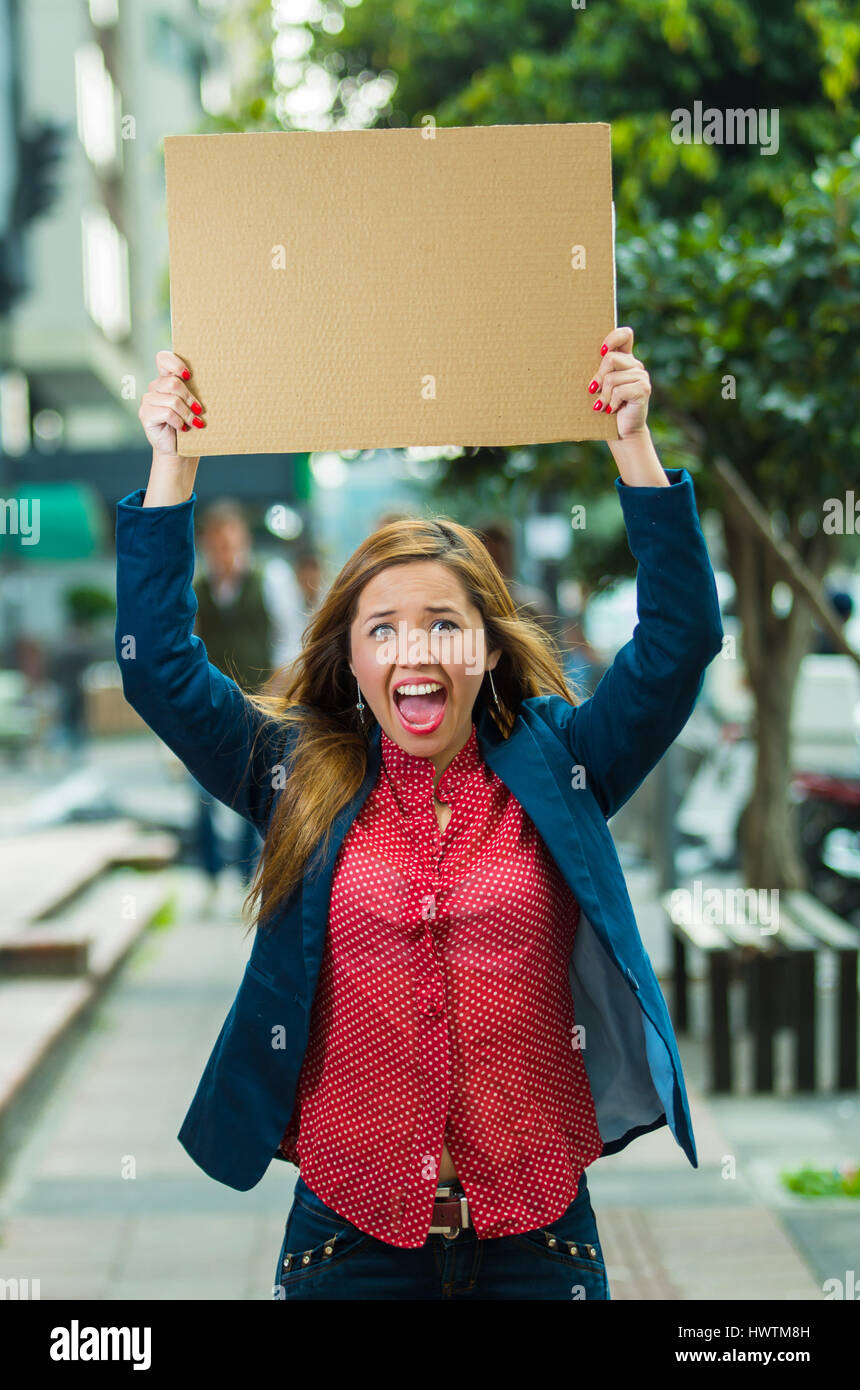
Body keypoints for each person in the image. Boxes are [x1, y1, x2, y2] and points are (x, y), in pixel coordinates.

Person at [116, 328, 723, 1300]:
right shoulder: (296, 774)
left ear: (485, 646)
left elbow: (680, 639)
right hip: (347, 1245)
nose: (414, 651)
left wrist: (630, 444)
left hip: (537, 1241)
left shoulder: (563, 761)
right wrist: (171, 465)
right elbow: (158, 668)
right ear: (351, 660)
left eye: (444, 623)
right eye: (382, 628)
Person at [191, 499, 305, 888]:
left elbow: (289, 640)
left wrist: (275, 693)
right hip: (209, 705)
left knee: (251, 789)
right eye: (216, 544)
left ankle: (244, 875)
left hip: (259, 701)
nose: (224, 552)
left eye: (230, 542)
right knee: (201, 789)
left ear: (242, 541)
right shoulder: (199, 589)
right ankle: (209, 872)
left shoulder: (270, 578)